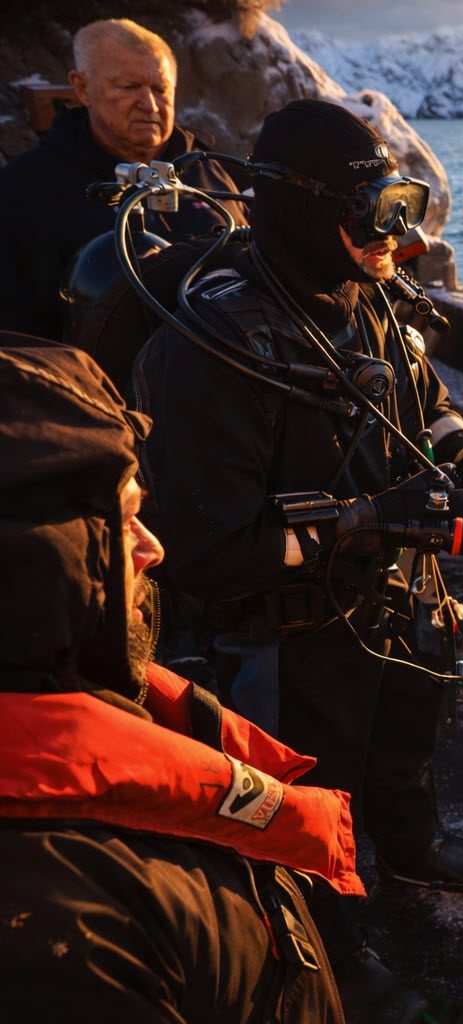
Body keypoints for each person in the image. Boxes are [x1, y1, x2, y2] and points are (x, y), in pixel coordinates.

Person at [134, 98, 463, 1015]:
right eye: (371, 211)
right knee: (307, 782)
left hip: (384, 599)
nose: (391, 234)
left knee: (405, 723)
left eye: (398, 206)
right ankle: (318, 934)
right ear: (298, 208)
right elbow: (209, 554)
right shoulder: (212, 350)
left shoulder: (360, 297)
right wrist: (372, 518)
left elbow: (419, 398)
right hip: (283, 633)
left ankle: (414, 844)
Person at [0, 336, 356, 1022]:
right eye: (125, 521)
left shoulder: (84, 695)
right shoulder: (60, 935)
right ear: (37, 561)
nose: (152, 549)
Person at [0, 19, 247, 340]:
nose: (149, 105)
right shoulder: (26, 189)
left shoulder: (207, 170)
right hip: (98, 385)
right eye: (128, 87)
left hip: (230, 375)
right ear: (82, 88)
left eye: (160, 89)